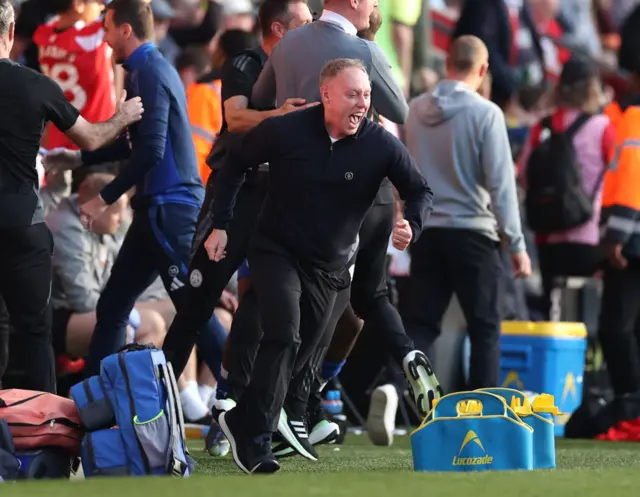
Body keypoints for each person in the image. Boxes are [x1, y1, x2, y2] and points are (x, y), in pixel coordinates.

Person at [208, 58, 433, 474]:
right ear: (325, 94)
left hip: (328, 267)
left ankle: (241, 419)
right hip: (276, 249)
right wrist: (220, 224)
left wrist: (411, 225)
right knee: (284, 332)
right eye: (352, 94)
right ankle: (255, 438)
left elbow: (420, 189)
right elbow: (234, 160)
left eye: (366, 95)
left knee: (298, 350)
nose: (361, 103)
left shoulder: (380, 143)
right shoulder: (287, 128)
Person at [43, 0, 227, 380]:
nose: (105, 40)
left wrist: (104, 197)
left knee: (190, 308)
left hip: (169, 208)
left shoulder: (149, 70)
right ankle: (93, 405)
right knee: (112, 308)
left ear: (125, 30)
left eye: (108, 30)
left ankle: (250, 400)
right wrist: (78, 159)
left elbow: (150, 150)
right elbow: (136, 143)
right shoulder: (147, 68)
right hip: (154, 211)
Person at [159, 0, 314, 387]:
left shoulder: (309, 69)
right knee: (197, 303)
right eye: (306, 22)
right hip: (234, 196)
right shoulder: (245, 63)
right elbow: (237, 118)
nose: (314, 29)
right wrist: (280, 116)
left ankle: (234, 406)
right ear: (280, 29)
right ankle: (156, 404)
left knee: (262, 308)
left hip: (280, 201)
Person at [0, 0, 143, 393]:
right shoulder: (35, 84)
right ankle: (46, 434)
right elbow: (93, 136)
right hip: (22, 223)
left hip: (21, 221)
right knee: (33, 334)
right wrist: (124, 115)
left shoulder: (45, 55)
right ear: (11, 33)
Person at [404, 35, 531, 390]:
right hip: (474, 233)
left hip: (427, 231)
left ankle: (395, 391)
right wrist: (517, 245)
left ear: (447, 63)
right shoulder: (487, 113)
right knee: (485, 327)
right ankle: (484, 412)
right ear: (484, 68)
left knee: (421, 324)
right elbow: (501, 185)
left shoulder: (414, 109)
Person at [251, 0, 408, 125]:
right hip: (343, 161)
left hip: (285, 160)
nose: (376, 3)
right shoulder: (368, 52)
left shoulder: (285, 42)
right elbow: (400, 113)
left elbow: (259, 99)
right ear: (354, 1)